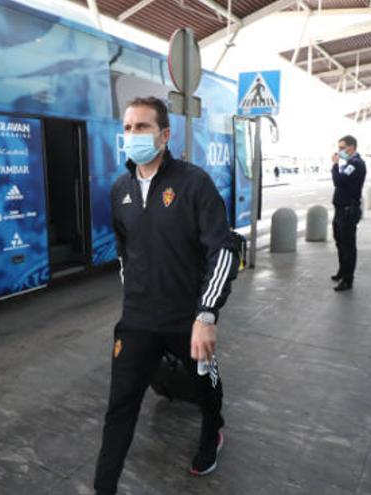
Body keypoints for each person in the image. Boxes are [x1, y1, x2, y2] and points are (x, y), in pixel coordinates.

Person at [94, 97, 239, 494]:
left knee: (205, 387)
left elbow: (223, 249)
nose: (132, 135)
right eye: (127, 128)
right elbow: (125, 251)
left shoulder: (194, 183)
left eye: (142, 127)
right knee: (120, 407)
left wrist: (206, 315)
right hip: (137, 320)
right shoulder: (120, 189)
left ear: (164, 134)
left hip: (189, 319)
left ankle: (213, 431)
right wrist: (136, 293)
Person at [330, 135, 367, 292]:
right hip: (340, 209)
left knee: (348, 246)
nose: (340, 151)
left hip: (348, 210)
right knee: (340, 242)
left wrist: (334, 165)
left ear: (351, 147)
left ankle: (348, 279)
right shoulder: (350, 163)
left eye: (342, 148)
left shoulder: (356, 164)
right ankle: (342, 271)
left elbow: (338, 181)